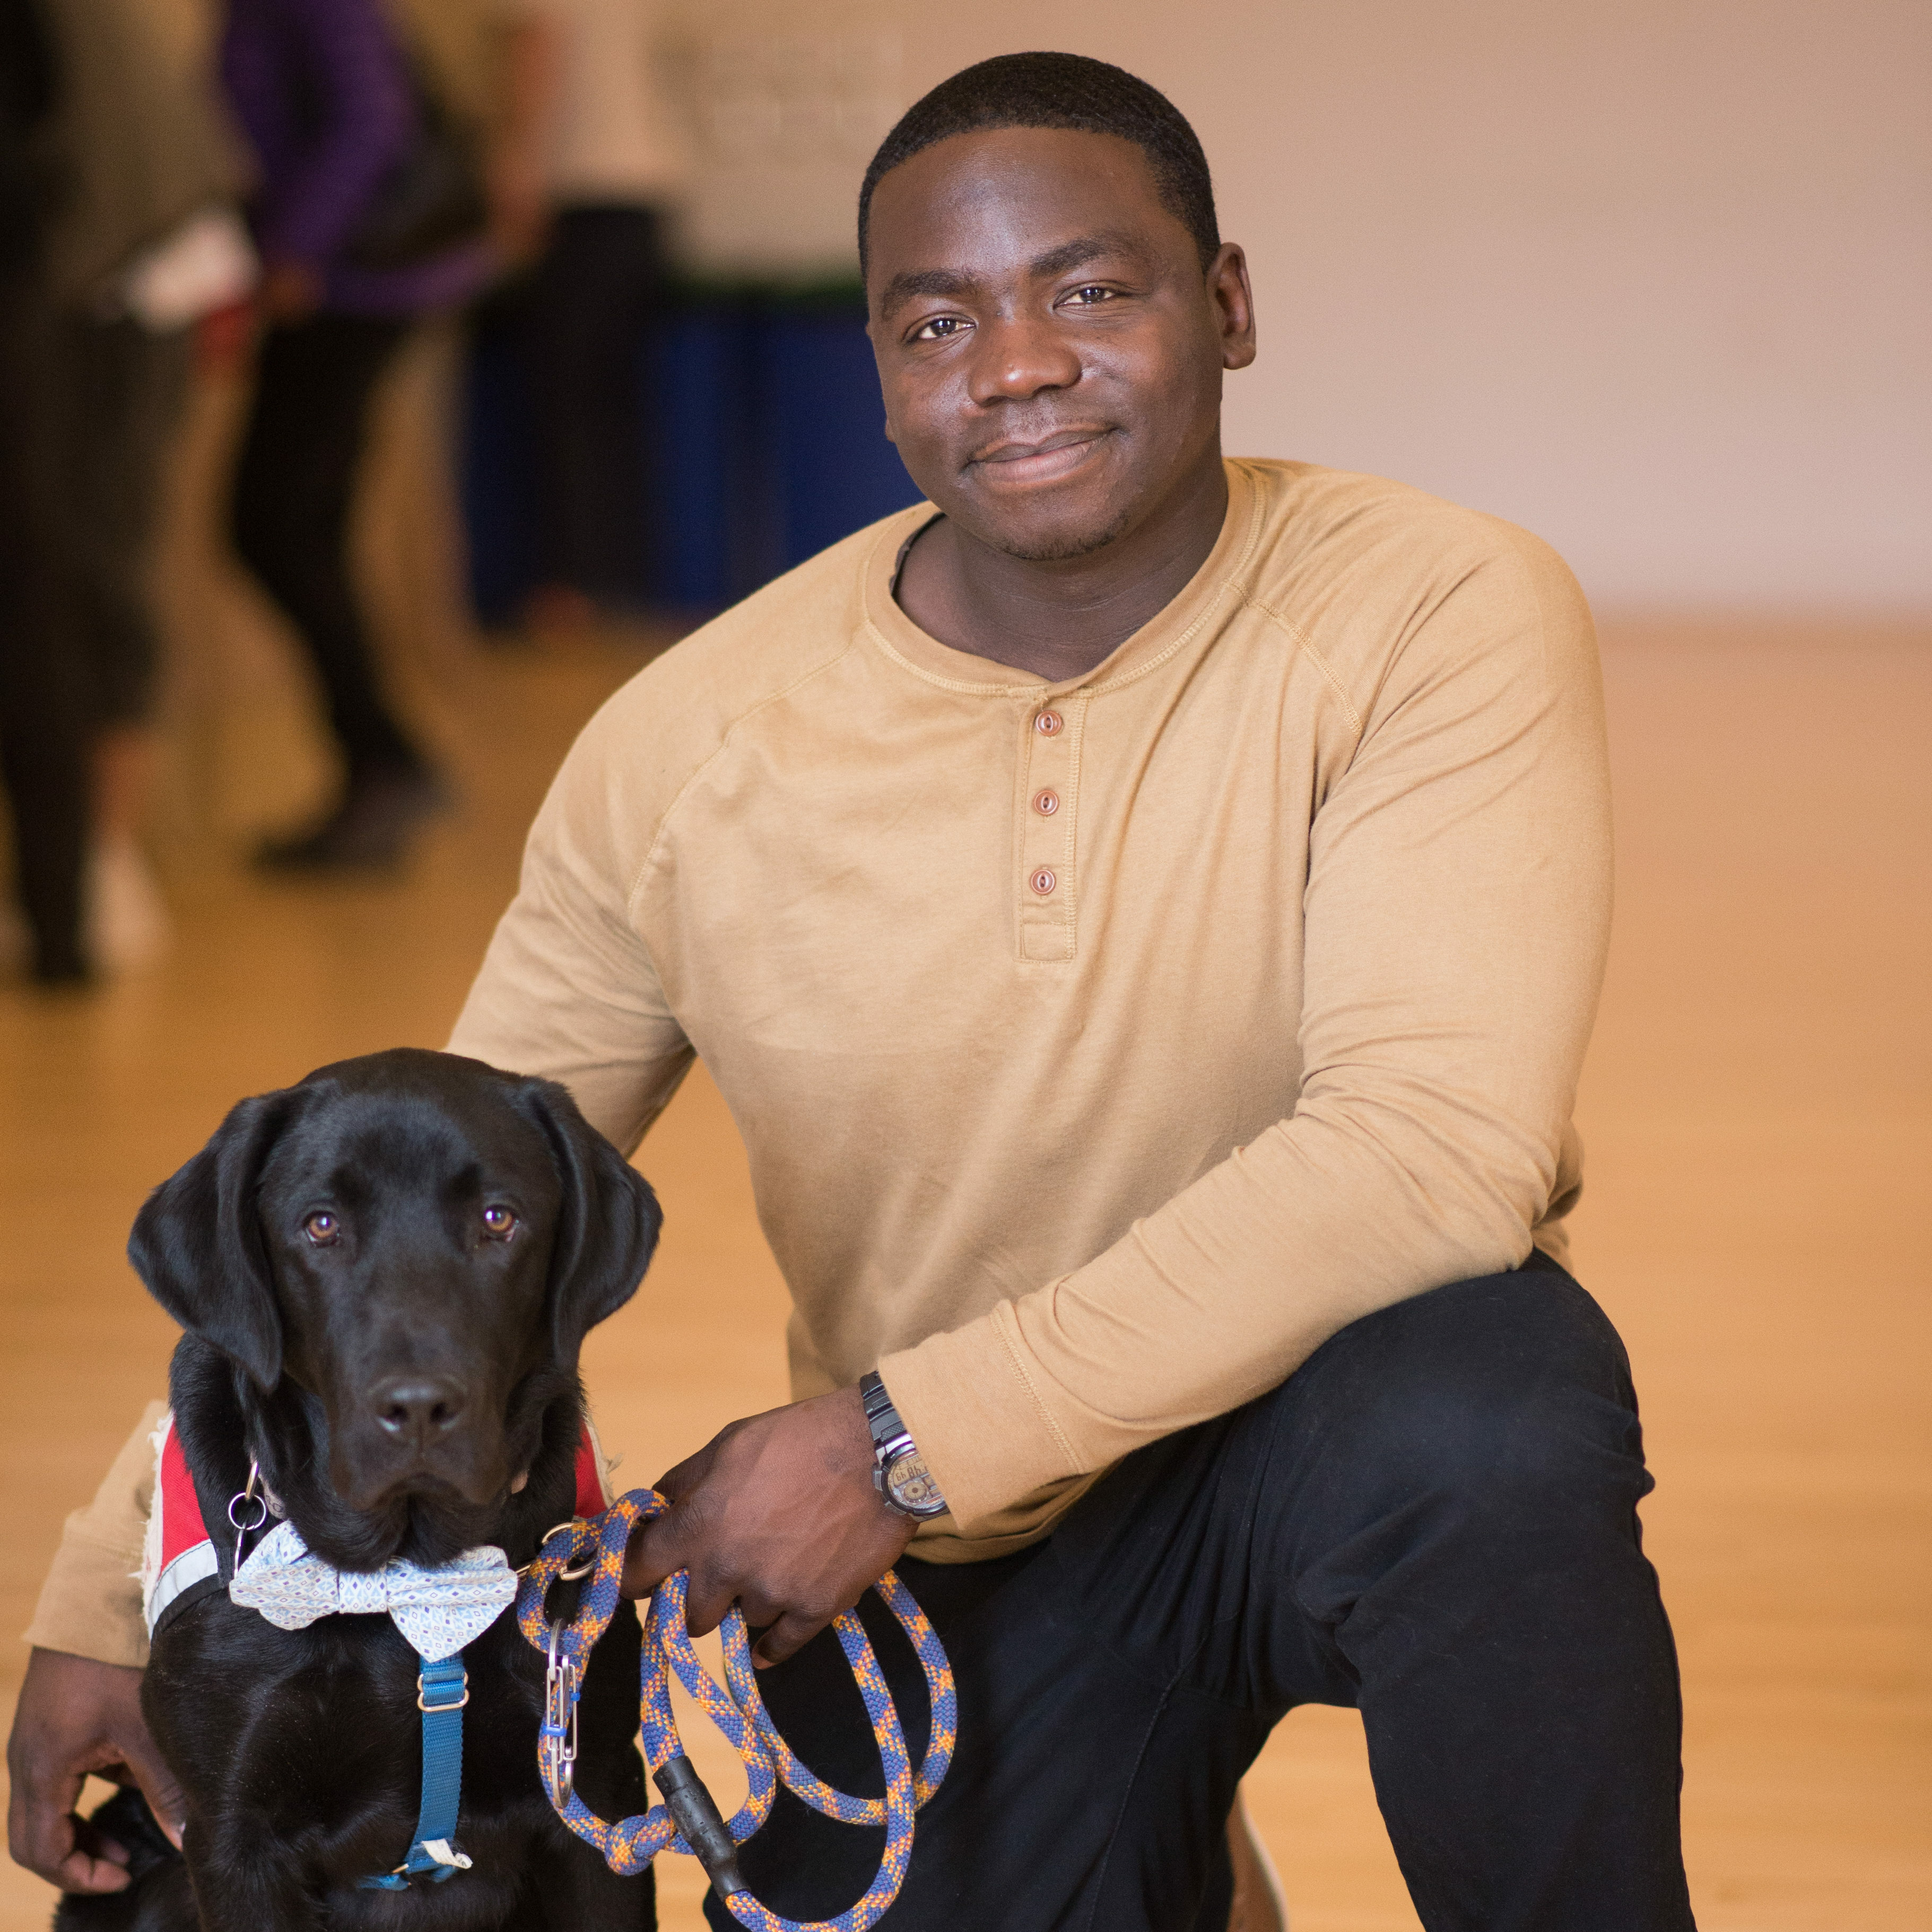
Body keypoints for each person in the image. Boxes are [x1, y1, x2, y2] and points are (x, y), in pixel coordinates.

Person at [7, 53, 1695, 1932]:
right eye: (938, 318)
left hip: (1318, 1435)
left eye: (1092, 289)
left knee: (1494, 1410)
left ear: (1223, 300)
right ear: (882, 369)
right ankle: (1151, 1827)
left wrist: (889, 1438)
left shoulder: (1432, 606)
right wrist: (105, 1594)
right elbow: (404, 1175)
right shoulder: (694, 737)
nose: (1017, 364)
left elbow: (1431, 1152)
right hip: (971, 1558)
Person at [221, 0, 495, 871]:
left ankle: (384, 760)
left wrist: (296, 249)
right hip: (347, 282)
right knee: (301, 527)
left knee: (271, 523)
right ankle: (380, 762)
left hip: (347, 286)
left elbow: (370, 121)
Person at [495, 0, 687, 637]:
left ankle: (574, 592)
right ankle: (620, 584)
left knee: (569, 402)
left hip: (581, 198)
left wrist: (515, 168)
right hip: (646, 199)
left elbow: (534, 54)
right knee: (614, 407)